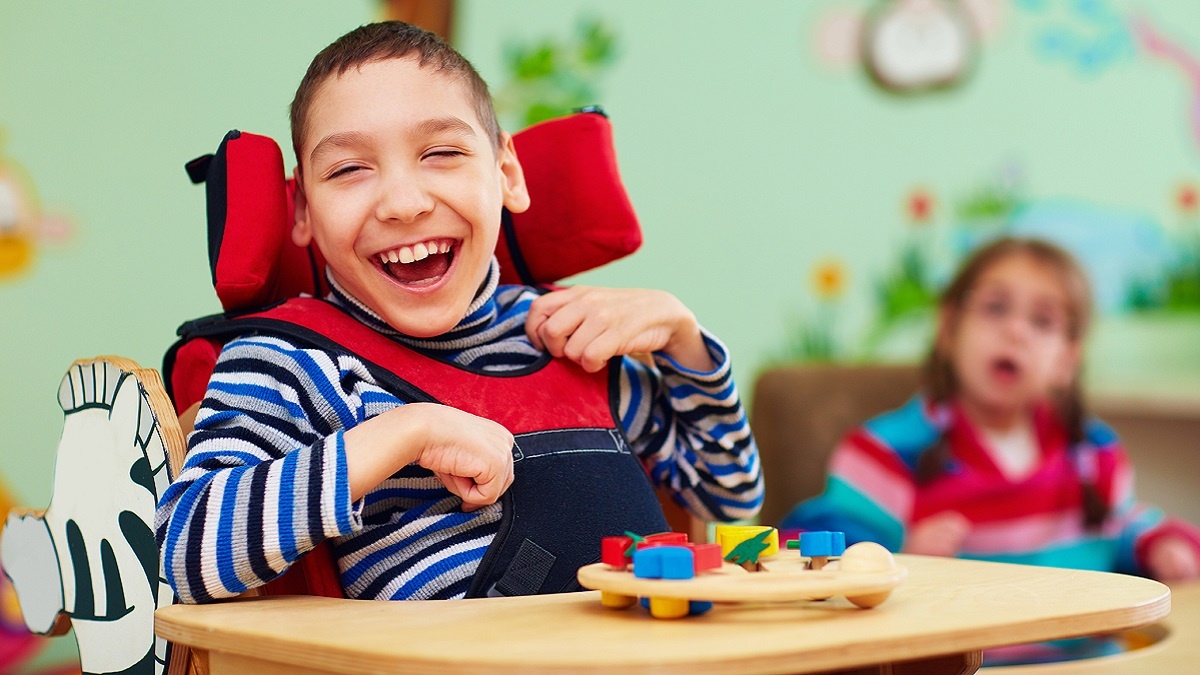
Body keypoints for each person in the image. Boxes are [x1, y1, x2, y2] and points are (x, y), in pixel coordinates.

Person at [155, 21, 761, 603]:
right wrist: (402, 433)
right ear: (303, 213)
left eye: (441, 152)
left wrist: (685, 341)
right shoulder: (292, 360)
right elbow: (179, 552)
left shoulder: (568, 336)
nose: (403, 203)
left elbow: (730, 496)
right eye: (348, 169)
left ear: (506, 174)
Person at [782, 237, 1200, 582]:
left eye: (1042, 321)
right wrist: (900, 558)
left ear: (1067, 361)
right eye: (995, 308)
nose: (1015, 331)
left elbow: (1125, 529)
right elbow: (803, 548)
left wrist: (1161, 546)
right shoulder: (884, 453)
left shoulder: (1095, 455)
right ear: (948, 329)